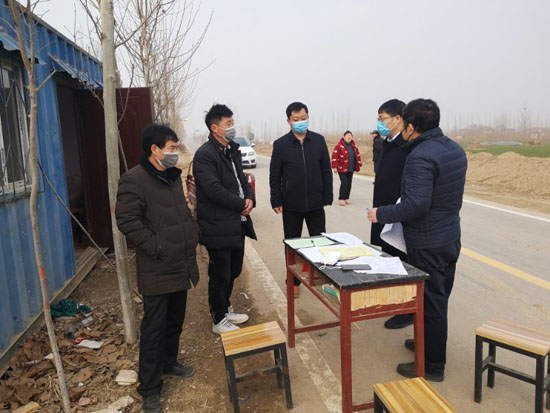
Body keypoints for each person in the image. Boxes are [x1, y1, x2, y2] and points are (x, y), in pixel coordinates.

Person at [367, 99, 467, 382]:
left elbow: (416, 205)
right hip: (450, 236)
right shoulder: (454, 149)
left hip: (428, 242)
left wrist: (380, 214)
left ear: (410, 127)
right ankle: (426, 343)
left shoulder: (419, 156)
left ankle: (431, 366)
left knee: (430, 303)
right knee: (438, 299)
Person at [116, 124, 199, 413]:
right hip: (157, 267)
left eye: (176, 148)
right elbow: (127, 221)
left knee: (175, 321)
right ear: (155, 149)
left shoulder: (171, 176)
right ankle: (150, 389)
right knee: (154, 329)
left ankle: (168, 363)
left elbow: (180, 213)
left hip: (179, 263)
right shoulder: (134, 180)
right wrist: (157, 246)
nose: (175, 153)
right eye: (172, 148)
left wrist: (192, 233)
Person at [193, 104, 256, 335]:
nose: (232, 127)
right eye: (228, 124)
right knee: (220, 273)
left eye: (232, 123)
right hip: (216, 224)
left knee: (234, 269)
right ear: (214, 128)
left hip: (236, 223)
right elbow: (213, 190)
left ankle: (225, 307)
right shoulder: (205, 155)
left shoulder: (231, 150)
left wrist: (249, 199)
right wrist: (240, 204)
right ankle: (218, 318)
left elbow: (242, 180)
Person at [270, 102, 333, 297]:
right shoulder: (281, 145)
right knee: (292, 245)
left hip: (315, 203)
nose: (300, 122)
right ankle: (293, 281)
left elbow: (326, 170)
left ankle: (322, 278)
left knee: (320, 242)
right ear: (289, 121)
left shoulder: (318, 141)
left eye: (303, 118)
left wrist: (327, 195)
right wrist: (276, 200)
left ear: (308, 117)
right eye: (296, 119)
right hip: (291, 205)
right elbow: (275, 175)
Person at [371, 99, 412, 330]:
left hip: (397, 213)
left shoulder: (406, 146)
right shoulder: (386, 142)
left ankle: (405, 309)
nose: (380, 123)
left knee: (401, 260)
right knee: (387, 255)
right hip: (383, 209)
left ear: (398, 119)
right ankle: (393, 301)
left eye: (383, 118)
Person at [331, 130, 362, 206]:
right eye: (347, 135)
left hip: (350, 168)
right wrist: (334, 167)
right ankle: (341, 198)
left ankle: (346, 198)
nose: (349, 137)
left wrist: (359, 164)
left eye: (350, 135)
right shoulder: (339, 146)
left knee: (349, 184)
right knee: (344, 183)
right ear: (344, 137)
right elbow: (334, 157)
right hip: (341, 168)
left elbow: (357, 156)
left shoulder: (354, 147)